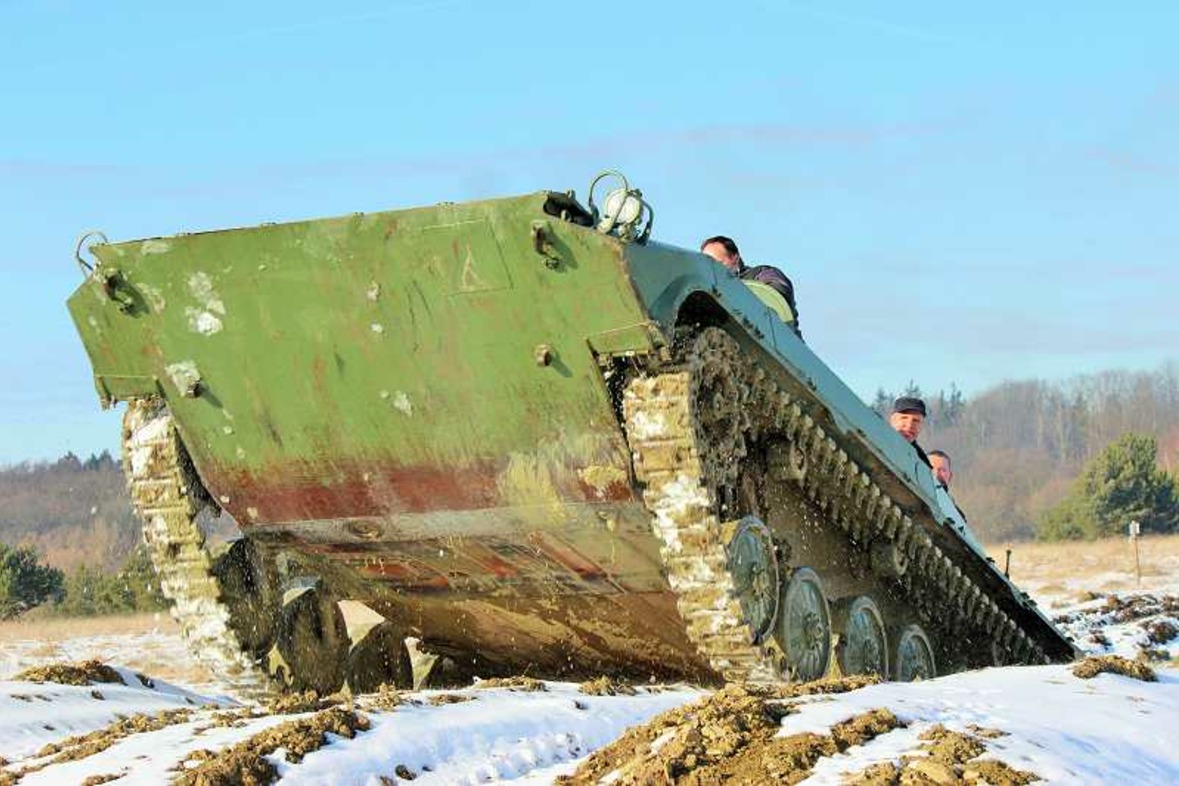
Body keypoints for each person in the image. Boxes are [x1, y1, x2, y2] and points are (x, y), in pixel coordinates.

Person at [700, 235, 801, 337]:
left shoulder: (762, 274)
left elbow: (776, 293)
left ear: (735, 258)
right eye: (708, 265)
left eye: (718, 263)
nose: (713, 269)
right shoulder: (709, 291)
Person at [889, 396, 931, 466]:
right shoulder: (875, 442)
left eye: (916, 421)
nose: (909, 425)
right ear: (893, 420)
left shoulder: (922, 460)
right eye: (904, 418)